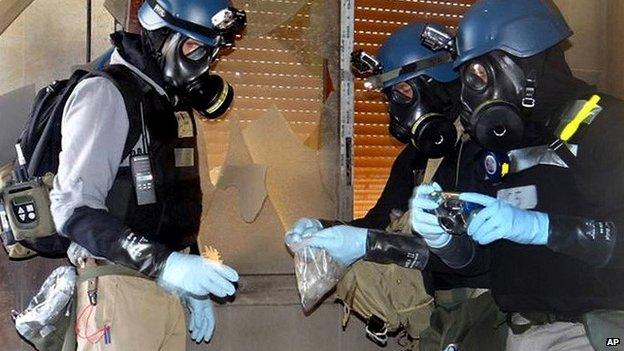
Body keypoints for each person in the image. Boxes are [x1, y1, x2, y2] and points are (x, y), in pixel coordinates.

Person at [49, 0, 245, 349]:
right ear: (161, 37)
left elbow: (172, 201)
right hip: (119, 289)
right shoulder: (106, 94)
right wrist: (167, 265)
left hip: (164, 286)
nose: (203, 66)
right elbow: (73, 212)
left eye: (209, 54)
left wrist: (186, 266)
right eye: (194, 48)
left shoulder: (168, 104)